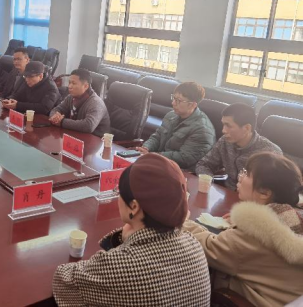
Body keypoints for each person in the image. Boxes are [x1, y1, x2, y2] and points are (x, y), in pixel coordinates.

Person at [53, 154, 211, 306]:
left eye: (119, 192)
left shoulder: (120, 266)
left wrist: (120, 243)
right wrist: (125, 238)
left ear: (134, 207)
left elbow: (63, 279)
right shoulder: (193, 244)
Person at [184, 152, 303, 306]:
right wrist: (243, 222)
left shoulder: (257, 234)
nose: (240, 177)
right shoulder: (291, 217)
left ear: (265, 193)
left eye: (247, 173)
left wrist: (183, 220)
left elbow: (207, 247)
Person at [196, 103, 282, 190]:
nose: (223, 130)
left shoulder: (270, 153)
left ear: (247, 128)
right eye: (223, 124)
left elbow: (268, 190)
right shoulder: (225, 141)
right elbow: (204, 164)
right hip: (227, 191)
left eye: (228, 126)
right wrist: (207, 181)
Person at [137, 82, 215, 170]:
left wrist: (153, 156)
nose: (173, 103)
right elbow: (157, 136)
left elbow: (184, 158)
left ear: (193, 105)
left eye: (179, 101)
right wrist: (146, 147)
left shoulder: (202, 130)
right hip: (160, 163)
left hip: (181, 171)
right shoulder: (171, 115)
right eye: (174, 98)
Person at [49, 68, 110, 137]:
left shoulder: (96, 103)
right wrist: (54, 117)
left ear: (86, 86)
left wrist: (62, 122)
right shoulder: (71, 97)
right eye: (69, 83)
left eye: (73, 83)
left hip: (95, 140)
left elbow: (88, 126)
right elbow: (57, 109)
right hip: (76, 135)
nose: (69, 86)